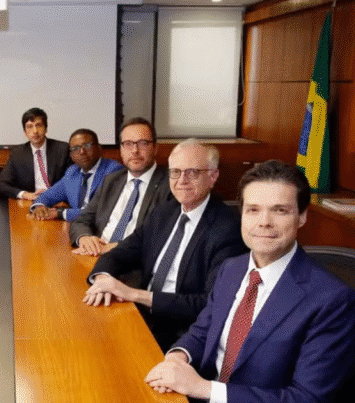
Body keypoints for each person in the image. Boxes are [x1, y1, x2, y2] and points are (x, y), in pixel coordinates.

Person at [144, 160, 355, 403]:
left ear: (302, 217)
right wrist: (178, 357)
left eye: (280, 210)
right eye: (254, 209)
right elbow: (204, 329)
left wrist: (204, 388)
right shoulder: (232, 269)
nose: (264, 222)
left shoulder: (331, 300)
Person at [83, 139, 246, 351]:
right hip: (142, 315)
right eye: (175, 172)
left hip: (183, 333)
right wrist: (103, 279)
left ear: (212, 177)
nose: (182, 180)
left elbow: (209, 304)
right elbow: (120, 253)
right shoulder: (165, 211)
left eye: (193, 172)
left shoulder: (228, 229)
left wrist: (133, 294)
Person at [69, 117, 172, 256]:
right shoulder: (112, 180)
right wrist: (85, 238)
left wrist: (114, 248)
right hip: (95, 255)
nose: (135, 151)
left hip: (132, 262)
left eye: (143, 143)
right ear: (121, 150)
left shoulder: (171, 184)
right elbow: (82, 219)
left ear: (155, 148)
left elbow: (163, 237)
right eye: (128, 144)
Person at [29, 129, 123, 222]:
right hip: (78, 227)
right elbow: (47, 196)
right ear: (71, 155)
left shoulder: (114, 171)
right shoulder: (72, 172)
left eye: (87, 146)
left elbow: (100, 212)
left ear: (99, 148)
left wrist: (61, 213)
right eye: (75, 148)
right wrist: (40, 207)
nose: (82, 151)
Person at [0, 108, 72, 200]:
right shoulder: (17, 154)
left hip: (57, 200)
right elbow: (0, 185)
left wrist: (53, 195)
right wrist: (25, 194)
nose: (35, 131)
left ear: (46, 128)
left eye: (38, 125)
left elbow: (72, 181)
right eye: (29, 126)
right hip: (30, 201)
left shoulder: (62, 149)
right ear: (25, 132)